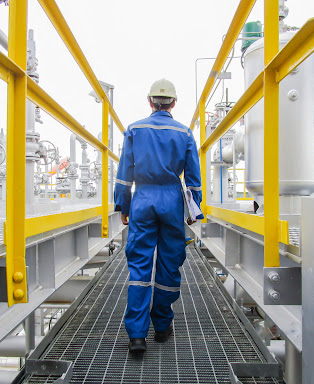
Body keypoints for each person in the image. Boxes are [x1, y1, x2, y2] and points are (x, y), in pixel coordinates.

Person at [114, 78, 203, 353]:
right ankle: (162, 327)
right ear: (174, 103)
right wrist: (193, 208)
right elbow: (193, 178)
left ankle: (137, 336)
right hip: (171, 200)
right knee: (169, 263)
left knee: (139, 266)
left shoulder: (134, 129)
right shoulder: (185, 133)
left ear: (150, 101)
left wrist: (124, 206)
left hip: (143, 200)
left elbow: (124, 175)